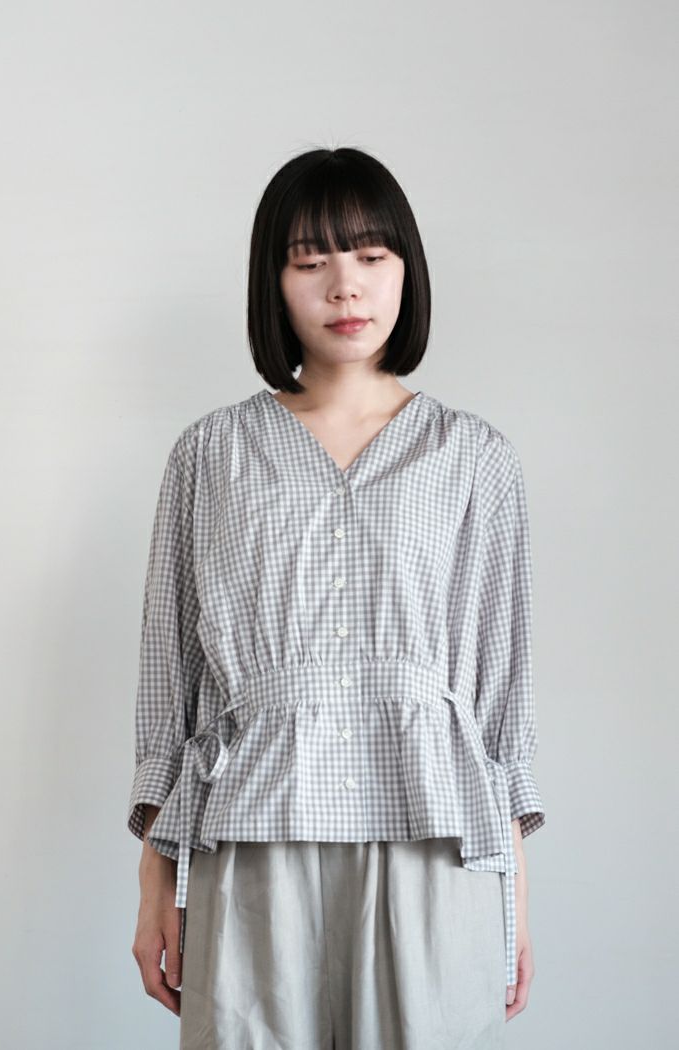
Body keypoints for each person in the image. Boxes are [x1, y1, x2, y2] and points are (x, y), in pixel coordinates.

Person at [128, 146, 545, 1049]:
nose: (344, 286)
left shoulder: (474, 458)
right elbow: (172, 681)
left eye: (370, 255)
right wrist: (155, 884)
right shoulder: (211, 455)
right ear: (273, 284)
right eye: (310, 261)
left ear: (406, 270)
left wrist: (514, 898)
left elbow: (500, 700)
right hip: (253, 838)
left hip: (435, 842)